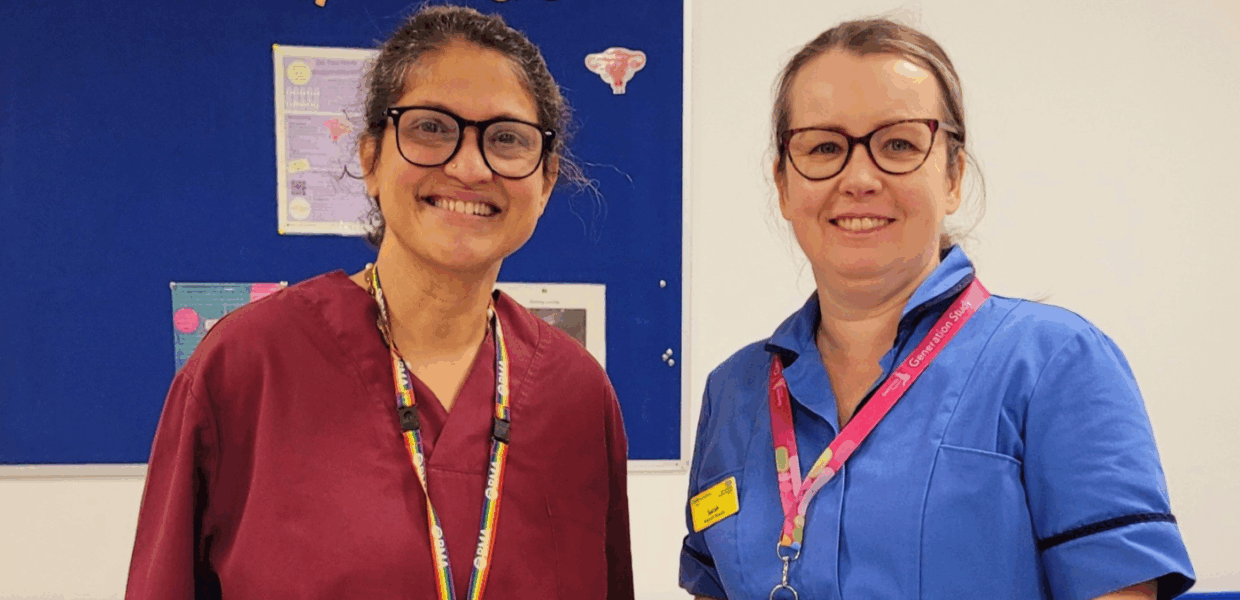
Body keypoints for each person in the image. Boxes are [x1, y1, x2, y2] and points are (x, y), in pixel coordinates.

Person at [126, 6, 634, 599]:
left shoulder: (577, 395)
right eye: (430, 127)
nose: (469, 166)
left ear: (545, 181)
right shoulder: (245, 369)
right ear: (370, 158)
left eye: (508, 139)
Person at [679, 18, 1193, 600]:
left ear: (952, 175)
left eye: (898, 144)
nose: (860, 177)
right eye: (824, 147)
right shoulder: (735, 393)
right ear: (783, 184)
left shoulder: (1055, 364)